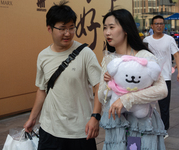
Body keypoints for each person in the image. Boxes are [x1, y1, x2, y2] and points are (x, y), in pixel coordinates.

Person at [24, 1, 102, 150]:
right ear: (49, 28)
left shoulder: (85, 53)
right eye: (62, 29)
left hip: (80, 131)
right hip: (49, 129)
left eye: (71, 28)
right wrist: (32, 118)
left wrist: (95, 117)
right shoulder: (43, 56)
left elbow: (100, 85)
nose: (68, 33)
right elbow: (42, 89)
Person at [98, 9, 168, 150]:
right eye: (105, 28)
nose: (107, 32)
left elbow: (162, 90)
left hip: (141, 125)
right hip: (116, 125)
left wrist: (126, 99)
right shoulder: (109, 60)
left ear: (125, 29)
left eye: (111, 27)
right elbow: (101, 97)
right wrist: (109, 84)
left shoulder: (144, 57)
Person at [143, 15, 179, 135]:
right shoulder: (146, 41)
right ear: (152, 26)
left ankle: (164, 130)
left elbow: (176, 55)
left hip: (165, 78)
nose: (159, 26)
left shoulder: (169, 39)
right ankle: (148, 127)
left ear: (164, 25)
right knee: (147, 105)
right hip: (149, 78)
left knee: (164, 106)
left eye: (161, 24)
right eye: (156, 24)